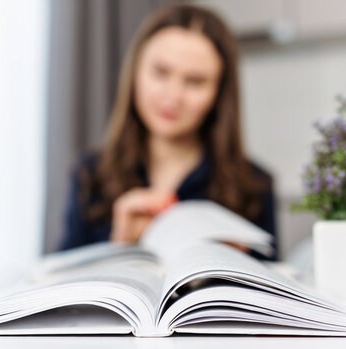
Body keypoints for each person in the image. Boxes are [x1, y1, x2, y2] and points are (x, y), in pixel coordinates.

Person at [60, 5, 278, 260]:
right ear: (135, 73)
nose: (173, 97)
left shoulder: (253, 186)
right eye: (160, 73)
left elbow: (275, 292)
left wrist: (236, 267)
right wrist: (121, 249)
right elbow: (62, 291)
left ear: (218, 94)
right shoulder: (91, 175)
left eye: (195, 82)